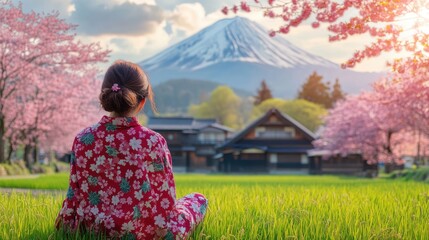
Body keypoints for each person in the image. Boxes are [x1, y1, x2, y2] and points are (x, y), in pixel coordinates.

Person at [56, 60, 208, 239]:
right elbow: (165, 200)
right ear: (142, 102)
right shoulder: (153, 141)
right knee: (198, 199)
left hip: (92, 230)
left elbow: (74, 193)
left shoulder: (83, 138)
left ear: (104, 96)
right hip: (144, 232)